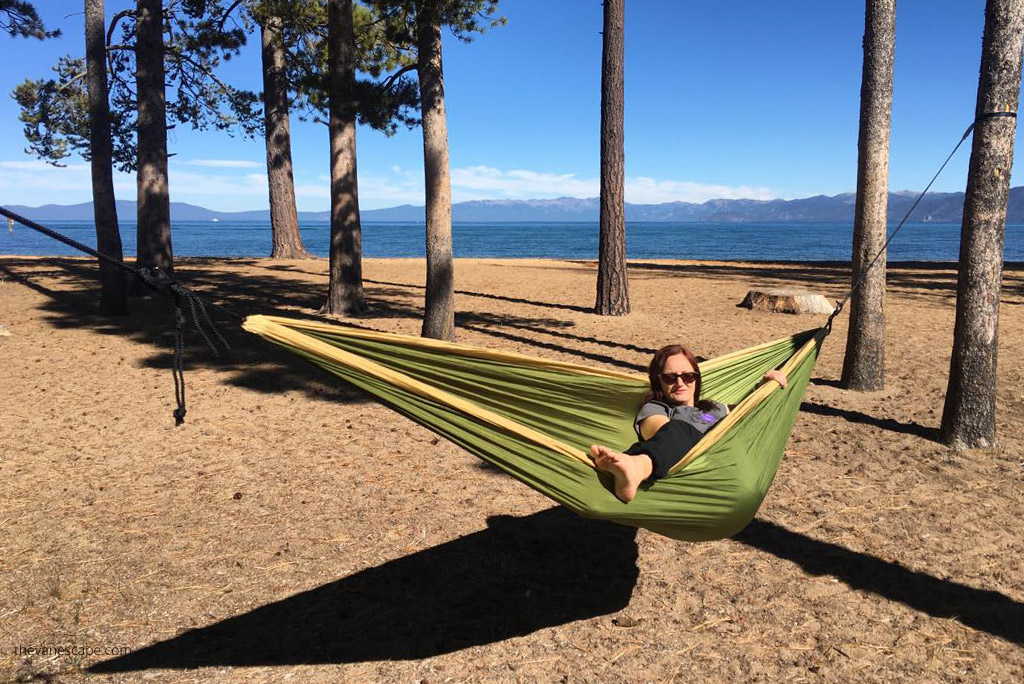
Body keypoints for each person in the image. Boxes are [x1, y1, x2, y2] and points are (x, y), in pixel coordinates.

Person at [590, 344, 787, 503]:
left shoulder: (715, 408)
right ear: (658, 382)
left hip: (730, 458)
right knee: (679, 430)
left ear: (696, 378)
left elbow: (747, 411)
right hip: (695, 463)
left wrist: (765, 385)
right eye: (670, 378)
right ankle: (636, 468)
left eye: (688, 376)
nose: (681, 383)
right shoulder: (656, 409)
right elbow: (662, 435)